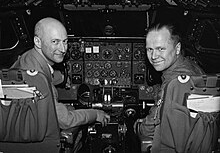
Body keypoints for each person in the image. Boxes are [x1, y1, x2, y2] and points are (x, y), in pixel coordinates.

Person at [11, 17, 110, 152]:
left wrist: (62, 78)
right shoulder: (36, 78)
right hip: (36, 139)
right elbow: (65, 120)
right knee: (79, 125)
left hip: (23, 127)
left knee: (69, 107)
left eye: (65, 41)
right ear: (37, 41)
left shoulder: (28, 59)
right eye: (55, 42)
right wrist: (95, 114)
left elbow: (47, 73)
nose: (63, 49)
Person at [134, 22, 205, 152]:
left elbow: (150, 128)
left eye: (161, 49)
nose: (154, 56)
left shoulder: (177, 81)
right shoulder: (189, 66)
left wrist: (138, 126)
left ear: (177, 49)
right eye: (150, 49)